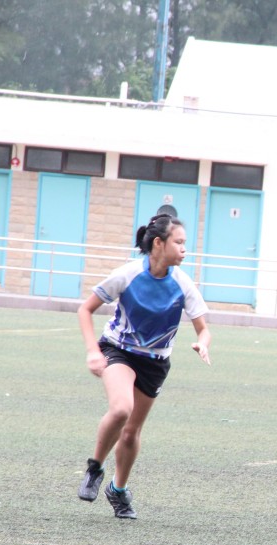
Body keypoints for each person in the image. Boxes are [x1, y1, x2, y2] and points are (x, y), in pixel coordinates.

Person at [76, 213, 212, 519]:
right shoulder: (128, 274)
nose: (184, 249)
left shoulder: (183, 284)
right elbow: (85, 310)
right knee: (121, 409)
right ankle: (95, 468)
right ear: (159, 243)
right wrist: (92, 352)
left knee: (131, 432)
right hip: (119, 350)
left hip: (156, 362)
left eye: (185, 243)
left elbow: (203, 329)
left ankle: (118, 489)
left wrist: (202, 343)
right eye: (179, 242)